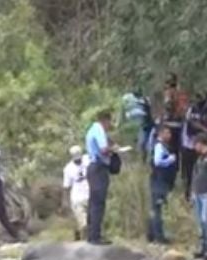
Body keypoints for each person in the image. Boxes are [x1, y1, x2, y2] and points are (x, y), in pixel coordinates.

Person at [85, 110, 119, 245]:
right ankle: (95, 236)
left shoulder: (92, 129)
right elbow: (104, 149)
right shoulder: (98, 129)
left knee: (93, 202)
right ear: (105, 120)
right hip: (98, 168)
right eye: (110, 122)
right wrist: (114, 149)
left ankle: (91, 234)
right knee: (98, 202)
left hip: (93, 168)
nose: (110, 125)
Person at [147, 126, 177, 244]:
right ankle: (158, 237)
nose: (170, 135)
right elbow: (157, 161)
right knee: (157, 208)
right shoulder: (159, 146)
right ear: (161, 133)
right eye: (167, 132)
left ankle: (151, 234)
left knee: (156, 208)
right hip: (159, 181)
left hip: (161, 181)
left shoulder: (163, 146)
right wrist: (170, 159)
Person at [181, 93, 207, 199]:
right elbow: (190, 122)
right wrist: (204, 129)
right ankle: (187, 193)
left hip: (198, 147)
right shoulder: (191, 110)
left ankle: (196, 193)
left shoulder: (204, 112)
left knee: (197, 171)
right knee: (187, 172)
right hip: (188, 145)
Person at [63, 145, 90, 241]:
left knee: (93, 221)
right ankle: (85, 241)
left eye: (79, 159)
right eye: (76, 160)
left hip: (90, 194)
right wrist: (65, 201)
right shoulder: (68, 169)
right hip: (77, 198)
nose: (78, 161)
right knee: (84, 223)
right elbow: (66, 186)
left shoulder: (87, 159)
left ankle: (89, 238)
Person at [120, 89, 153, 161]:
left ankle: (147, 159)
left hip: (149, 125)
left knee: (147, 144)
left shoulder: (144, 101)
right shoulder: (138, 102)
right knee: (142, 144)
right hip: (144, 126)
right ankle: (143, 159)